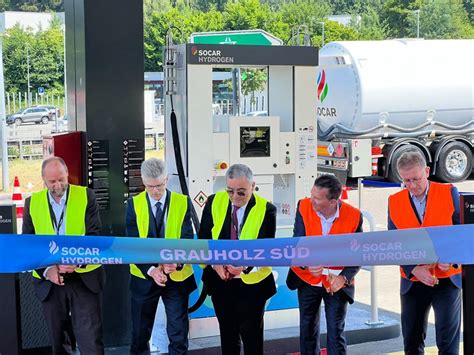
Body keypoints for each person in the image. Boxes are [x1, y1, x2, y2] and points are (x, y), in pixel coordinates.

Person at [22, 156, 104, 355]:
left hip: (83, 278)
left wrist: (76, 262)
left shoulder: (87, 196)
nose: (58, 185)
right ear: (43, 180)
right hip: (50, 281)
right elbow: (27, 245)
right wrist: (48, 270)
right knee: (58, 342)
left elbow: (94, 236)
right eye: (52, 181)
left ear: (67, 174)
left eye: (61, 179)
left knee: (90, 339)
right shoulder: (32, 203)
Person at [388, 150, 461, 355]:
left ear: (427, 171)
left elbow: (461, 234)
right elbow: (393, 244)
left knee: (448, 343)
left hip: (447, 280)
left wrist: (452, 259)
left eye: (416, 179)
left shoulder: (449, 192)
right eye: (406, 181)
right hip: (412, 282)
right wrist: (414, 269)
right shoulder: (394, 201)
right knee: (411, 342)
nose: (411, 186)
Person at [198, 164, 276, 355]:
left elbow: (266, 250)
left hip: (251, 285)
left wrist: (244, 267)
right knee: (228, 335)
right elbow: (203, 241)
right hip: (221, 281)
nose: (234, 197)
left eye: (241, 192)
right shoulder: (214, 202)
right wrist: (216, 265)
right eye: (230, 191)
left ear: (252, 186)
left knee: (252, 338)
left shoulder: (266, 209)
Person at [126, 158, 196, 355]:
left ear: (167, 179)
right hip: (144, 277)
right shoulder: (133, 205)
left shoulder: (182, 203)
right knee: (140, 334)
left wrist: (176, 262)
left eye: (159, 185)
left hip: (176, 277)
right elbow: (132, 245)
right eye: (150, 186)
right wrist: (152, 269)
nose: (155, 191)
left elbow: (187, 238)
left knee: (178, 332)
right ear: (143, 181)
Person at [286, 174, 363, 355]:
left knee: (336, 332)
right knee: (307, 329)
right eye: (312, 195)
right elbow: (297, 242)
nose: (311, 200)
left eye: (317, 198)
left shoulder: (354, 216)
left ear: (333, 201)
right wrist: (306, 264)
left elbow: (358, 255)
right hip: (307, 279)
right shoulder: (303, 206)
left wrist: (344, 278)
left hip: (336, 282)